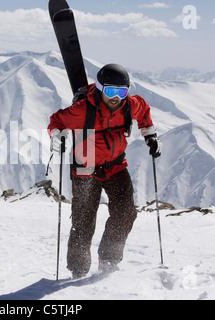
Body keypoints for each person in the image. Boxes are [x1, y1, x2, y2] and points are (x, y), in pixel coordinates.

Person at [48, 64, 162, 278]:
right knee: (83, 221)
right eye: (111, 91)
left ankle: (109, 258)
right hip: (86, 166)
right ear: (100, 88)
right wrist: (58, 136)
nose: (116, 97)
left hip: (116, 166)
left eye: (122, 91)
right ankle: (78, 270)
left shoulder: (130, 106)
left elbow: (144, 110)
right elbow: (57, 121)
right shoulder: (83, 110)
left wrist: (151, 136)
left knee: (125, 213)